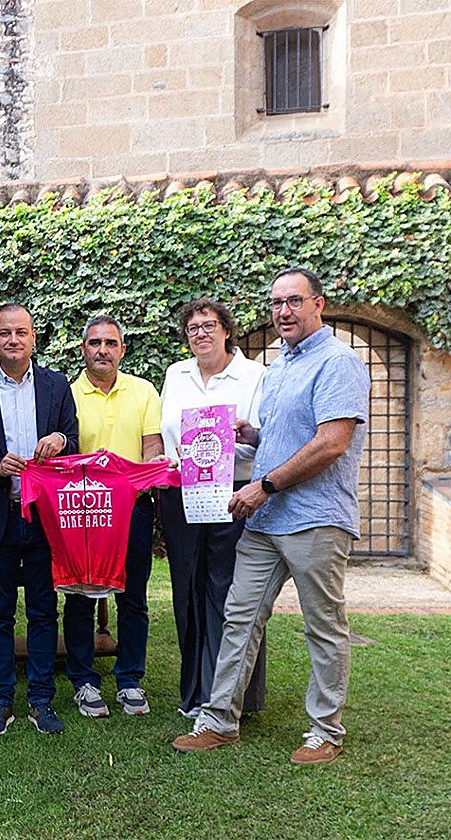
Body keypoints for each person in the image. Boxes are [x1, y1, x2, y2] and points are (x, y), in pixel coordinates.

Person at [172, 267, 370, 766]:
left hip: (315, 517)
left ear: (318, 304)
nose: (284, 311)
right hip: (267, 522)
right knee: (239, 618)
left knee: (323, 625)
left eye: (295, 301)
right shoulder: (279, 365)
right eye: (277, 302)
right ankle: (220, 721)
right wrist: (252, 435)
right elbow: (290, 436)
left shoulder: (338, 362)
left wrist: (263, 484)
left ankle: (325, 730)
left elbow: (331, 443)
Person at [0, 303, 78, 736]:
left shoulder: (55, 385)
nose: (13, 340)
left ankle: (42, 699)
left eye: (21, 333)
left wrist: (60, 438)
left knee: (45, 611)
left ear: (32, 338)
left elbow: (73, 440)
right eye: (5, 333)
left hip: (45, 518)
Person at [159, 298, 267, 719]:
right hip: (182, 493)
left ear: (227, 330)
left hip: (234, 492)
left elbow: (263, 436)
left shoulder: (254, 375)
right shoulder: (176, 374)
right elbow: (169, 436)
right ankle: (196, 693)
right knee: (188, 589)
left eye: (209, 325)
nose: (200, 333)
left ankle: (234, 697)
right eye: (192, 328)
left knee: (230, 592)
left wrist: (232, 437)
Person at [62, 314, 164, 718]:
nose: (102, 350)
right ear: (83, 349)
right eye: (94, 343)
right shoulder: (66, 395)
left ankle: (129, 680)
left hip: (132, 509)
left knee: (133, 597)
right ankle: (84, 681)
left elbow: (152, 447)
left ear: (122, 349)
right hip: (81, 511)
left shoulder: (143, 391)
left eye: (110, 343)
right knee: (79, 596)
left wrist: (153, 466)